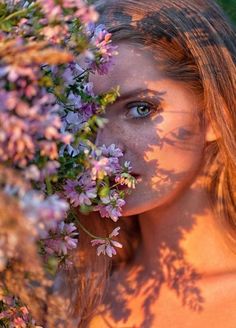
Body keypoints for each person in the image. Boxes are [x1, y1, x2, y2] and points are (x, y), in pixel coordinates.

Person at [62, 0, 236, 327]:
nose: (103, 148)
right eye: (83, 119)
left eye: (141, 109)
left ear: (216, 112)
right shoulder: (65, 298)